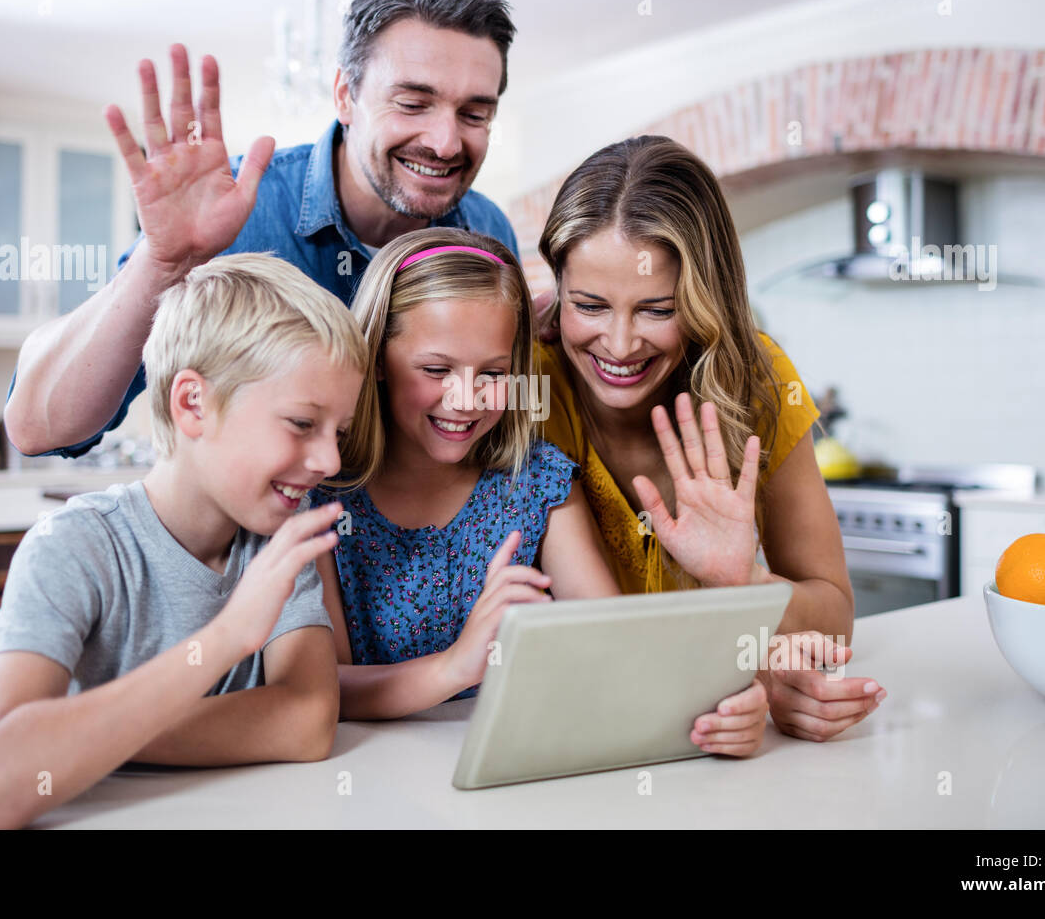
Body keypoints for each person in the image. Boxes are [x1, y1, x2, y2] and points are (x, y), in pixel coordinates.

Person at [0, 254, 368, 827]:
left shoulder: (277, 538)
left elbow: (307, 721)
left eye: (340, 432)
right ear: (192, 404)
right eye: (303, 424)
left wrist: (78, 747)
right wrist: (230, 635)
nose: (330, 458)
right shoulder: (74, 546)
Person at [4, 0, 519, 460]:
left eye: (474, 114)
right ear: (345, 95)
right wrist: (161, 263)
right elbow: (39, 429)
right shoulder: (232, 217)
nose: (446, 142)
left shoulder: (487, 234)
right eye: (412, 103)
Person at [306, 227, 770, 756]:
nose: (466, 398)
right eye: (436, 370)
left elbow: (619, 651)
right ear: (377, 360)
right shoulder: (322, 495)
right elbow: (324, 688)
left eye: (494, 373)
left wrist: (725, 699)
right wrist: (454, 667)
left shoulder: (536, 485)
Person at [535, 136, 886, 743]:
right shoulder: (525, 384)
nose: (619, 345)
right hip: (572, 728)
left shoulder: (757, 380)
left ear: (707, 300)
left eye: (657, 310)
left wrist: (741, 587)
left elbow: (833, 622)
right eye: (589, 305)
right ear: (557, 286)